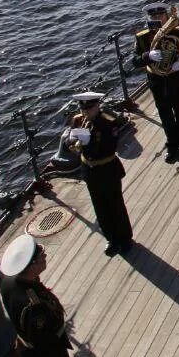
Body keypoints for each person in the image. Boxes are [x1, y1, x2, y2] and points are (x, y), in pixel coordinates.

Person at [0, 235, 75, 357]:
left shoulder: (9, 282)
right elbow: (46, 342)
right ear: (31, 266)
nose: (44, 256)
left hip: (29, 352)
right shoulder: (34, 308)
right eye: (41, 254)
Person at [66, 92, 133, 255]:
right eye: (83, 109)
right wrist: (72, 140)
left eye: (89, 109)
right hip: (89, 170)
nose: (85, 112)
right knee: (100, 206)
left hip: (107, 168)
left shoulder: (108, 123)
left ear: (97, 106)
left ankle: (125, 238)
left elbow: (109, 148)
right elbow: (69, 139)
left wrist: (87, 144)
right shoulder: (78, 120)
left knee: (115, 204)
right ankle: (111, 237)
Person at [132, 2, 179, 163]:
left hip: (176, 78)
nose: (158, 18)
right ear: (148, 18)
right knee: (165, 115)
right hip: (157, 81)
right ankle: (172, 145)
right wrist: (147, 56)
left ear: (166, 16)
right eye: (154, 16)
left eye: (160, 15)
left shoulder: (178, 32)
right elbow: (135, 61)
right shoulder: (142, 36)